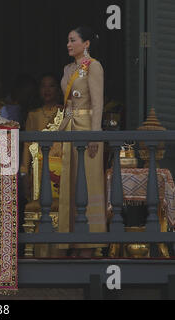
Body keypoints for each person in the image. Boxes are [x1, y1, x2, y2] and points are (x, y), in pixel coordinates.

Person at [58, 26, 106, 257]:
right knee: (70, 181)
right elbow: (68, 106)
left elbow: (98, 104)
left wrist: (95, 135)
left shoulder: (93, 66)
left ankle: (89, 242)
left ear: (86, 43)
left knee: (87, 183)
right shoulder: (68, 68)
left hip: (87, 131)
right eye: (67, 40)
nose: (69, 44)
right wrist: (60, 130)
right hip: (69, 129)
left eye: (73, 40)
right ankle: (70, 240)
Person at [20, 73, 63, 200]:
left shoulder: (65, 113)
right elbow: (28, 144)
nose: (47, 90)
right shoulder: (33, 114)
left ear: (58, 90)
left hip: (60, 166)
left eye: (51, 86)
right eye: (43, 86)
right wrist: (24, 171)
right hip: (38, 167)